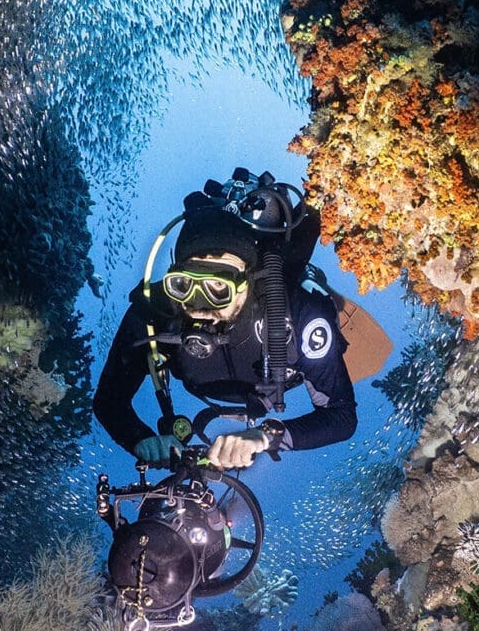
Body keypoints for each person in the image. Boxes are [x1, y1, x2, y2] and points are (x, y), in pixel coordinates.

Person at [93, 170, 358, 470]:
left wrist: (266, 436)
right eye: (183, 285)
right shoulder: (155, 313)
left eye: (218, 288)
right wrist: (140, 438)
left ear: (248, 283)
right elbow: (108, 401)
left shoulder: (298, 316)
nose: (200, 306)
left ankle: (312, 280)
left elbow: (341, 416)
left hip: (279, 376)